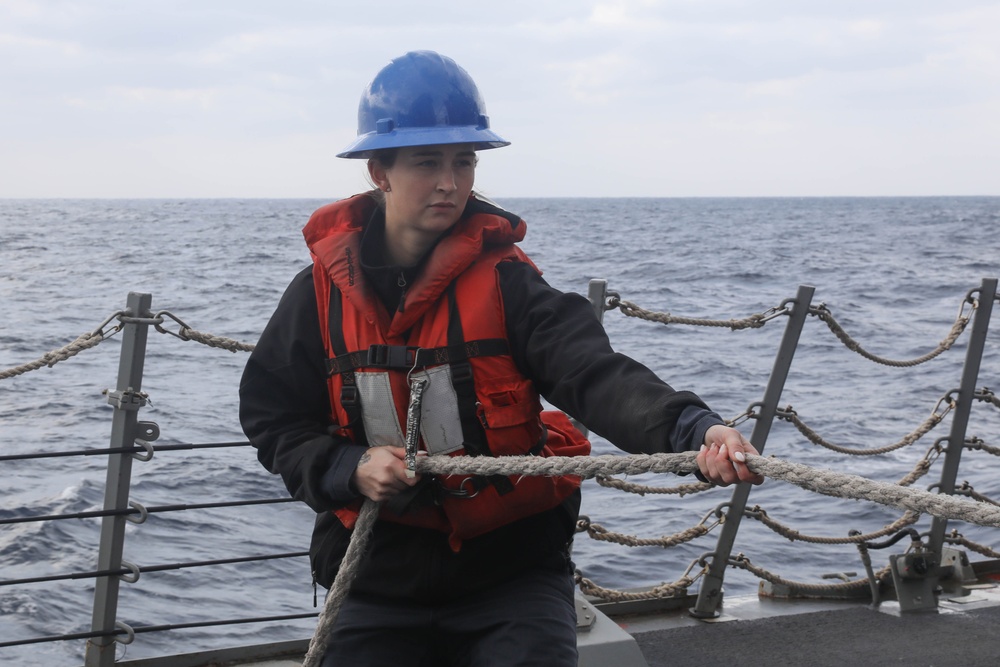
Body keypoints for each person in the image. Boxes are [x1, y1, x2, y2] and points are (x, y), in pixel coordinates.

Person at [239, 50, 763, 667]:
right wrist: (348, 467)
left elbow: (594, 373)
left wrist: (695, 430)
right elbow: (273, 420)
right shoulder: (318, 296)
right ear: (378, 170)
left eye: (464, 162)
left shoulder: (508, 284)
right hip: (379, 572)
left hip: (510, 572)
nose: (450, 182)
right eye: (427, 162)